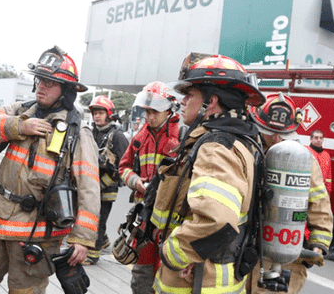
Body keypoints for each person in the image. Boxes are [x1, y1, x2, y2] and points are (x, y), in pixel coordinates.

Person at [0, 46, 100, 294]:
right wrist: (18, 126)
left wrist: (82, 238)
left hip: (35, 231)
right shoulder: (20, 111)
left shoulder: (77, 132)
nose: (41, 87)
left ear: (66, 91)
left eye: (50, 82)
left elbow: (89, 187)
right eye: (40, 80)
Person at [150, 53, 265, 294]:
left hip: (199, 283)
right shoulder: (241, 140)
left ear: (210, 101)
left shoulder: (215, 149)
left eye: (189, 95)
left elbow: (217, 220)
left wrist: (173, 254)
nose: (182, 102)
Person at [248, 93, 333, 293]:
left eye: (281, 133)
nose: (276, 138)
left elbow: (320, 203)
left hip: (286, 249)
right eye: (269, 132)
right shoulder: (250, 152)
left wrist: (318, 243)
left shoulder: (302, 161)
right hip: (249, 248)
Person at [118, 81, 180, 294]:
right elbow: (123, 167)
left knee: (168, 272)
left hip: (171, 221)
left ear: (169, 110)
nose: (150, 116)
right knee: (142, 274)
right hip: (144, 217)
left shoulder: (182, 135)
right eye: (147, 111)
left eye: (155, 111)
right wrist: (137, 182)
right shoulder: (139, 138)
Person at [84, 95, 129, 265]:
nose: (97, 116)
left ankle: (93, 255)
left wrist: (107, 177)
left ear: (109, 114)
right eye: (95, 112)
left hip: (107, 186)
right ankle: (102, 241)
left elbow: (126, 163)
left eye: (100, 112)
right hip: (90, 184)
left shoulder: (117, 136)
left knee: (99, 218)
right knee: (87, 216)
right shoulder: (91, 132)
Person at [307, 129, 332, 195]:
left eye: (321, 138)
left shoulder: (326, 155)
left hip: (320, 192)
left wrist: (328, 191)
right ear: (311, 139)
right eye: (316, 138)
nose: (319, 140)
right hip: (307, 189)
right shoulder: (306, 151)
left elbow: (328, 176)